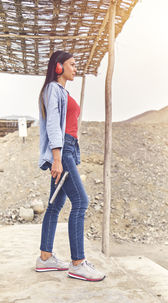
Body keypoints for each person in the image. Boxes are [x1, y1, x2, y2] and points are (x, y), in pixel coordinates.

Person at [35, 50, 105, 282]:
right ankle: (78, 263)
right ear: (59, 67)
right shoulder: (53, 89)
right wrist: (57, 157)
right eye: (72, 64)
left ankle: (45, 258)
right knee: (81, 202)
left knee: (56, 203)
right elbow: (54, 124)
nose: (76, 69)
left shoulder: (62, 91)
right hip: (62, 148)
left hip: (69, 148)